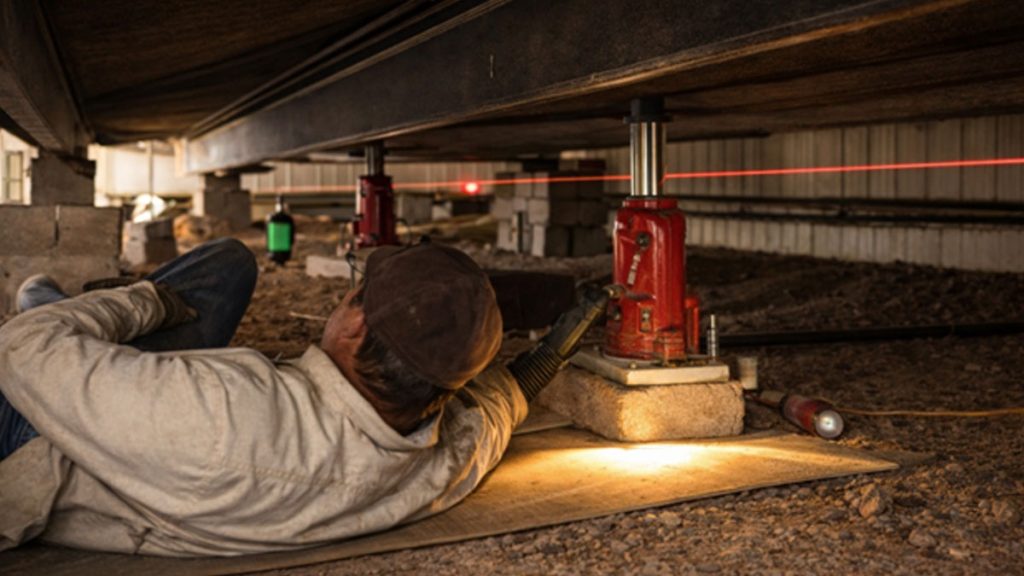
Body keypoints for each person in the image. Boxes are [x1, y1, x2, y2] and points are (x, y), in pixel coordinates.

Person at [0, 238, 530, 557]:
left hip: (35, 436)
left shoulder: (221, 409)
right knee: (230, 263)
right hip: (159, 452)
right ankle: (52, 304)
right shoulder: (438, 463)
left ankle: (46, 303)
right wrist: (520, 381)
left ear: (354, 329)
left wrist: (140, 302)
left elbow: (20, 351)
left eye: (350, 293)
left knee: (50, 325)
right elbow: (491, 412)